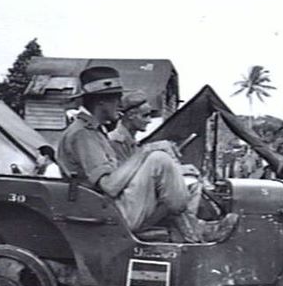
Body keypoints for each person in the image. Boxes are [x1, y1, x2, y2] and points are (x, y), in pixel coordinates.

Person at [57, 66, 238, 243]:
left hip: (106, 208)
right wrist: (146, 152)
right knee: (159, 160)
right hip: (106, 213)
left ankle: (192, 228)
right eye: (116, 99)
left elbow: (118, 176)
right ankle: (194, 230)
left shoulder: (94, 131)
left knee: (170, 173)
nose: (120, 105)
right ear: (100, 102)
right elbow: (109, 186)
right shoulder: (83, 134)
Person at [108, 89, 202, 217]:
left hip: (138, 195)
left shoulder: (131, 140)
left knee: (191, 182)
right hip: (126, 204)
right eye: (145, 116)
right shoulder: (115, 141)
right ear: (130, 115)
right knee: (184, 187)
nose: (149, 121)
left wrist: (179, 169)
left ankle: (190, 226)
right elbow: (124, 179)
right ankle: (189, 230)